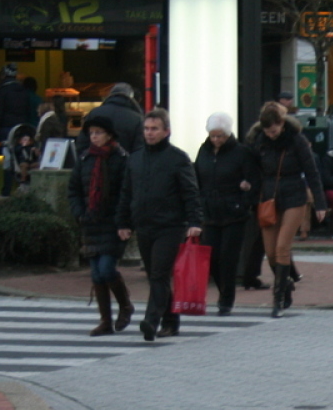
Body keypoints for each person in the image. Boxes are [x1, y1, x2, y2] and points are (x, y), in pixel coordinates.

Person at [115, 108, 203, 342]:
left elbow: (190, 193)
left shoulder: (177, 158)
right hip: (144, 224)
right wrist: (123, 221)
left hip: (170, 226)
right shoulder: (135, 158)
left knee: (159, 274)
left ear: (167, 131)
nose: (149, 133)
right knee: (156, 276)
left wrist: (195, 221)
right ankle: (171, 321)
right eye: (146, 129)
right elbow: (126, 193)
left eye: (154, 129)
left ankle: (151, 321)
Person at [251, 102, 327, 318]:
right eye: (267, 131)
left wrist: (320, 203)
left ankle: (278, 297)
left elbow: (312, 172)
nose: (271, 135)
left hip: (294, 195)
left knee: (283, 246)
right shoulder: (260, 142)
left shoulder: (297, 141)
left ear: (281, 124)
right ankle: (285, 285)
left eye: (274, 130)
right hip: (269, 198)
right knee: (271, 251)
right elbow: (254, 169)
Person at [68, 115, 135, 336]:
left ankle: (125, 306)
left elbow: (126, 193)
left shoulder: (120, 158)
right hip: (90, 222)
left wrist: (123, 221)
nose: (94, 137)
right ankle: (105, 320)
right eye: (91, 133)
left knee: (106, 268)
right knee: (96, 274)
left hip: (112, 223)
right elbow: (74, 190)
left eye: (98, 132)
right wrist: (79, 213)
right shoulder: (85, 158)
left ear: (109, 134)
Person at [195, 112, 259, 316]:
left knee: (228, 258)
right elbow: (197, 177)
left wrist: (244, 201)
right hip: (210, 212)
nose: (216, 140)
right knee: (213, 258)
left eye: (220, 136)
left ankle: (226, 299)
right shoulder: (204, 152)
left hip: (234, 212)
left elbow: (253, 180)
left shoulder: (241, 152)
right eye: (213, 136)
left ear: (228, 134)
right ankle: (223, 291)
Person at [77, 83, 145, 154]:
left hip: (96, 162)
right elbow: (139, 149)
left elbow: (82, 143)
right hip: (124, 163)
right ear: (131, 98)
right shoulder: (137, 118)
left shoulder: (94, 113)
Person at [0, 64, 33, 137]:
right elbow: (28, 110)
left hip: (6, 126)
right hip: (21, 125)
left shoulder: (3, 90)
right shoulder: (23, 90)